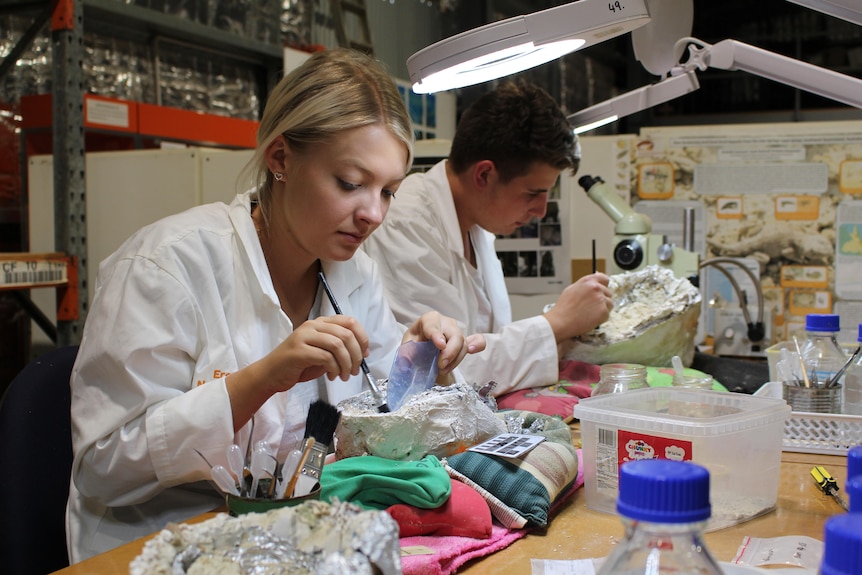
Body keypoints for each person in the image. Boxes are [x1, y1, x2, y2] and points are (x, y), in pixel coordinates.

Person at [66, 48, 484, 563]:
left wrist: (417, 366)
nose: (373, 214)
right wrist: (261, 379)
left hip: (299, 537)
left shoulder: (355, 275)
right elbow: (103, 467)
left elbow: (378, 428)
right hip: (159, 544)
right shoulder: (166, 266)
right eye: (350, 184)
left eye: (389, 191)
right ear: (280, 158)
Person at [363, 80, 613, 396]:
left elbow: (484, 342)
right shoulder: (405, 221)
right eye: (533, 193)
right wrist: (556, 323)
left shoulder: (476, 225)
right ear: (484, 175)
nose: (540, 210)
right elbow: (444, 370)